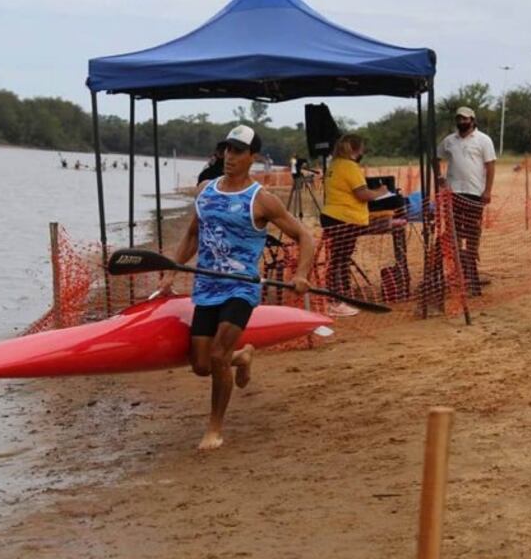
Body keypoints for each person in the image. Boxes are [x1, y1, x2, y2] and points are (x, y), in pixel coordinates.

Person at [160, 125, 314, 451]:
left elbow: (305, 237)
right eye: (226, 150)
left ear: (252, 157)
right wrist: (171, 271)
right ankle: (243, 357)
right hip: (206, 287)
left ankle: (214, 427)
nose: (229, 156)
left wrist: (301, 274)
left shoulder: (262, 200)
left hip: (241, 289)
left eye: (237, 151)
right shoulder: (206, 189)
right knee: (201, 364)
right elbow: (192, 235)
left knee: (217, 354)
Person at [319, 134, 389, 317]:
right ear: (356, 149)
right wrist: (381, 192)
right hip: (345, 218)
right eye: (362, 147)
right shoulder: (350, 167)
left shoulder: (334, 164)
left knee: (337, 259)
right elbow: (362, 194)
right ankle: (338, 300)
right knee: (341, 260)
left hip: (331, 215)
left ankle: (337, 297)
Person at [437, 106, 496, 297]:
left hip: (474, 193)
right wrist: (440, 177)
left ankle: (472, 276)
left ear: (472, 120)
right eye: (459, 119)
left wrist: (487, 190)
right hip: (453, 193)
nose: (462, 122)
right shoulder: (449, 141)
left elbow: (490, 166)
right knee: (454, 233)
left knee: (472, 234)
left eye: (465, 119)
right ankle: (457, 272)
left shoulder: (483, 140)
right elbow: (435, 157)